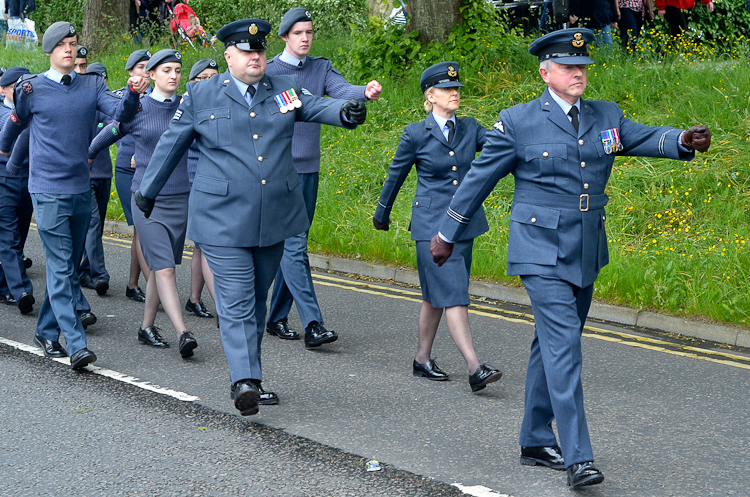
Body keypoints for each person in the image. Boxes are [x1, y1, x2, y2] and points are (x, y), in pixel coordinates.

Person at [430, 28, 711, 488]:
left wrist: (682, 139)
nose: (578, 74)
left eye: (582, 67)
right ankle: (579, 457)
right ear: (545, 73)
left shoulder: (605, 115)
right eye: (568, 67)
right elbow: (479, 178)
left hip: (585, 247)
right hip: (538, 248)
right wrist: (447, 232)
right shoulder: (518, 121)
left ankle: (535, 439)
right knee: (565, 347)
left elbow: (641, 138)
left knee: (550, 345)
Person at [133, 18, 367, 416]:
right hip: (222, 219)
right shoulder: (201, 94)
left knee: (257, 299)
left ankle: (251, 376)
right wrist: (147, 193)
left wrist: (346, 110)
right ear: (229, 57)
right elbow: (171, 145)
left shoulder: (284, 92)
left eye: (259, 51)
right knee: (239, 299)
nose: (255, 57)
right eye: (246, 51)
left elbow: (317, 105)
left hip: (274, 217)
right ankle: (245, 380)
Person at [0, 21, 148, 369]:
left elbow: (121, 115)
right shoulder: (31, 88)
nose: (69, 49)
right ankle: (76, 343)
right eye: (62, 44)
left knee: (64, 267)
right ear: (49, 51)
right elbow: (14, 126)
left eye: (73, 43)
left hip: (80, 188)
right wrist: (7, 157)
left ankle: (46, 332)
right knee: (63, 265)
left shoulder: (92, 86)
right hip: (47, 190)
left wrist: (133, 91)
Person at [373, 61, 502, 393]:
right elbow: (395, 174)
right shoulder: (415, 133)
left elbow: (498, 149)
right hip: (431, 228)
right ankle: (475, 367)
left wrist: (512, 130)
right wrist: (382, 213)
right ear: (430, 95)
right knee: (455, 295)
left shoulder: (471, 127)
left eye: (457, 88)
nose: (455, 93)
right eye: (447, 89)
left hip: (466, 225)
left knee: (435, 297)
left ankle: (422, 359)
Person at [264, 7, 382, 348]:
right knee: (295, 244)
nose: (305, 38)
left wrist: (365, 92)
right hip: (279, 171)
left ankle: (276, 318)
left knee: (293, 246)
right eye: (298, 33)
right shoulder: (270, 72)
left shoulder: (320, 67)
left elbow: (341, 90)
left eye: (309, 32)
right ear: (285, 36)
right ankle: (313, 323)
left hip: (309, 170)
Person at [90, 48, 198, 359]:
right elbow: (110, 131)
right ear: (151, 75)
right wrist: (87, 156)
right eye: (166, 71)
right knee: (163, 269)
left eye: (178, 71)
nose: (174, 76)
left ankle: (146, 326)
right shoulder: (139, 109)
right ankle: (182, 332)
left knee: (165, 265)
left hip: (181, 198)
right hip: (146, 201)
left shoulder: (188, 108)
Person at [114, 49, 152, 303]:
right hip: (129, 170)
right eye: (140, 67)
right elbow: (112, 127)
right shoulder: (122, 96)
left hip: (151, 170)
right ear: (130, 72)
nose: (145, 72)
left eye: (150, 67)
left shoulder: (161, 97)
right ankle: (157, 285)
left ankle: (132, 284)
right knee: (141, 228)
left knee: (142, 231)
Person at [183, 58, 219, 321]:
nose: (209, 82)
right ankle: (224, 308)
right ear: (193, 82)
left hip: (219, 181)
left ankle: (194, 299)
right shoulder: (191, 103)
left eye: (214, 77)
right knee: (208, 244)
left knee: (201, 245)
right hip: (196, 177)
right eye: (203, 77)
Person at [0, 66, 34, 315]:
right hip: (3, 178)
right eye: (16, 87)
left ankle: (4, 285)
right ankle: (21, 290)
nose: (22, 91)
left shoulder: (34, 111)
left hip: (28, 178)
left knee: (20, 234)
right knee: (8, 236)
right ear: (3, 89)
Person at [78, 59, 113, 296]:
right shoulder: (81, 108)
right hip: (85, 175)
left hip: (104, 173)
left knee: (95, 227)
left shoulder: (108, 107)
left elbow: (117, 125)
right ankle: (100, 274)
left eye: (103, 79)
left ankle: (84, 270)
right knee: (92, 224)